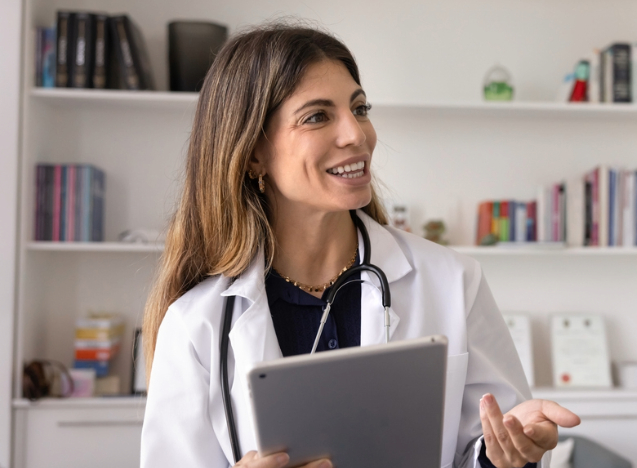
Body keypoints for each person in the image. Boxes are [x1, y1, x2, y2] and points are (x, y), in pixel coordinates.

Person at [140, 24, 579, 468]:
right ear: (254, 153)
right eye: (317, 116)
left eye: (359, 108)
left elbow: (489, 444)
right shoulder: (196, 325)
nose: (357, 134)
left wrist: (508, 456)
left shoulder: (451, 280)